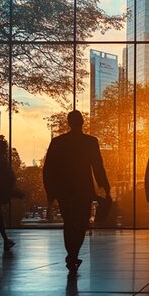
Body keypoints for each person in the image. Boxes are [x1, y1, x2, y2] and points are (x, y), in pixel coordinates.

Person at [43, 110, 110, 276]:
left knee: (68, 223)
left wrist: (50, 192)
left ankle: (72, 256)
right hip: (83, 190)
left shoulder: (58, 142)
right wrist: (105, 186)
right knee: (81, 224)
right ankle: (73, 256)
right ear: (82, 122)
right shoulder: (90, 142)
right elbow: (98, 167)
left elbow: (48, 169)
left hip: (64, 190)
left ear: (68, 122)